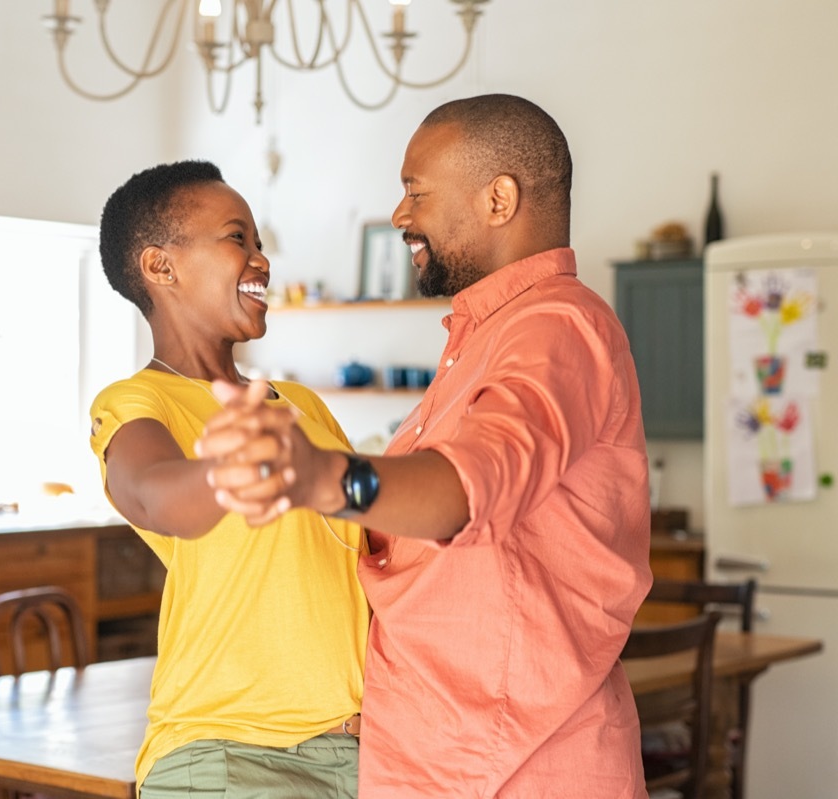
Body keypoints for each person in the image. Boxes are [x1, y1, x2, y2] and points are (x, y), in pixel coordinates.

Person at [199, 94, 653, 798]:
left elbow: (471, 485)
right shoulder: (482, 340)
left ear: (499, 198)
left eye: (415, 191)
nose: (400, 215)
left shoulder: (560, 326)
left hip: (521, 765)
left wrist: (321, 477)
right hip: (434, 750)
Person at [88, 159, 368, 798]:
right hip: (228, 755)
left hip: (360, 749)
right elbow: (154, 492)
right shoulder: (135, 402)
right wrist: (242, 465)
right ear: (162, 267)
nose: (261, 260)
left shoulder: (299, 405)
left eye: (261, 243)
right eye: (238, 238)